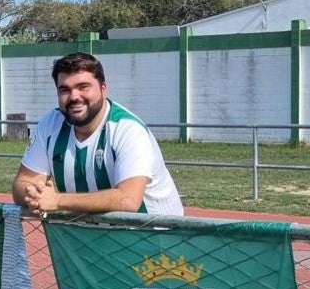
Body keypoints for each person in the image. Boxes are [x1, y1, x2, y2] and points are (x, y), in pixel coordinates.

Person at [13, 52, 183, 216]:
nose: (74, 96)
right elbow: (22, 185)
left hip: (156, 238)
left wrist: (57, 200)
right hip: (98, 238)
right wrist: (35, 195)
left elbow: (128, 199)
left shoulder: (128, 130)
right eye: (64, 90)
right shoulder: (50, 124)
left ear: (103, 89)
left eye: (83, 87)